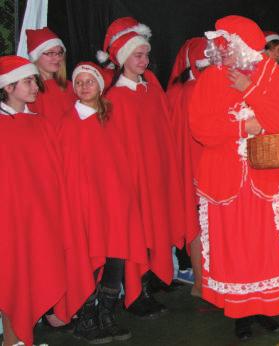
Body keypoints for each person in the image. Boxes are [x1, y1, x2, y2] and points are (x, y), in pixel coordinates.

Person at [189, 15, 279, 340]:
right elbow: (200, 128)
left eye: (227, 43)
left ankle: (266, 307)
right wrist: (241, 127)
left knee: (264, 244)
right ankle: (239, 313)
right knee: (233, 245)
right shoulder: (209, 79)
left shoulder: (268, 74)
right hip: (224, 178)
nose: (221, 49)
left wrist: (252, 90)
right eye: (219, 44)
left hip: (264, 176)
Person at [0, 55, 94, 346]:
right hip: (10, 219)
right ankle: (12, 339)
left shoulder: (39, 123)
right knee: (13, 274)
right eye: (28, 81)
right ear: (8, 87)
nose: (35, 87)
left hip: (41, 216)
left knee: (36, 270)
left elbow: (54, 172)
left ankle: (22, 338)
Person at [97, 17, 185, 318]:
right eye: (138, 55)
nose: (145, 60)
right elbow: (114, 149)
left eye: (146, 55)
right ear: (123, 59)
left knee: (155, 228)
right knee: (137, 235)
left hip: (156, 178)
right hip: (133, 182)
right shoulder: (114, 99)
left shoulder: (152, 90)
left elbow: (164, 135)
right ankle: (136, 294)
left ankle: (154, 280)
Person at [59, 62, 150, 343]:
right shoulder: (69, 122)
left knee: (116, 256)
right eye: (79, 82)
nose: (84, 86)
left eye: (90, 81)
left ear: (100, 85)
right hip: (86, 204)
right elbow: (69, 169)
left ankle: (107, 314)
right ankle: (87, 318)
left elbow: (122, 158)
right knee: (90, 257)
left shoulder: (111, 116)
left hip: (115, 201)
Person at [166, 37, 210, 297]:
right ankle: (202, 282)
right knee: (201, 226)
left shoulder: (178, 90)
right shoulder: (194, 91)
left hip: (194, 167)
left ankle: (203, 281)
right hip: (200, 167)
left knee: (200, 224)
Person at [26, 27, 75, 129]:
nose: (57, 58)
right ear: (36, 56)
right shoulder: (28, 89)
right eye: (50, 53)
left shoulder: (71, 87)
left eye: (60, 53)